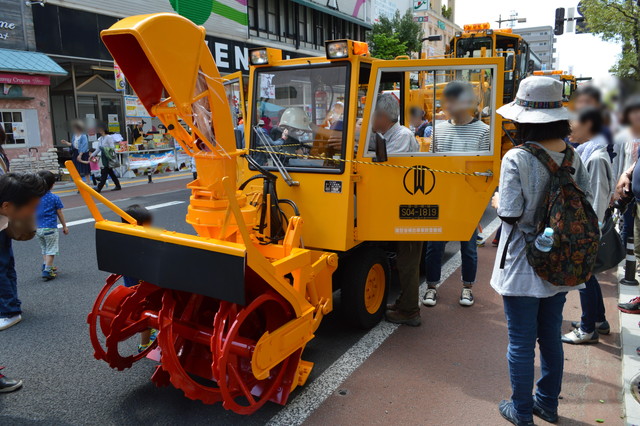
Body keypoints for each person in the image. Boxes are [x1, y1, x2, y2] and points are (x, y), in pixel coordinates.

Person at [492, 76, 592, 425]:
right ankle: (546, 403)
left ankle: (521, 413)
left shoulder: (517, 157)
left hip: (522, 262)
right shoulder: (573, 156)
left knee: (521, 341)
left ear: (522, 118)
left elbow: (509, 212)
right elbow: (587, 203)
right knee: (550, 334)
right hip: (562, 262)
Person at [423, 81, 490, 307]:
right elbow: (433, 165)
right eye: (446, 100)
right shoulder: (438, 129)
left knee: (468, 246)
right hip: (442, 196)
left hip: (468, 198)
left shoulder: (483, 131)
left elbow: (485, 169)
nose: (447, 105)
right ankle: (431, 286)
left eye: (452, 100)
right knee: (434, 245)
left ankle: (467, 288)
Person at [374, 94, 422, 326]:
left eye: (371, 114)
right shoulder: (387, 134)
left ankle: (410, 311)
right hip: (400, 205)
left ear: (382, 116)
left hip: (410, 207)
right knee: (406, 259)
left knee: (408, 261)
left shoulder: (402, 136)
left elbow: (389, 170)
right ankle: (405, 302)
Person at [120, 204, 157, 352]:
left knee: (139, 311)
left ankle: (147, 334)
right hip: (142, 286)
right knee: (146, 315)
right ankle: (144, 344)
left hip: (131, 285)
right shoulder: (141, 241)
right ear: (139, 225)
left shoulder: (123, 237)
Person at [35, 171, 69, 281]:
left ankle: (46, 265)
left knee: (44, 249)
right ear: (52, 184)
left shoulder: (35, 198)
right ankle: (47, 271)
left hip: (38, 228)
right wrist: (64, 226)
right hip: (50, 228)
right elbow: (59, 213)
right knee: (51, 250)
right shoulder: (54, 198)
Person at [91, 123, 122, 193]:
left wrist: (104, 148)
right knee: (110, 172)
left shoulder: (109, 137)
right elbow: (98, 148)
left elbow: (112, 147)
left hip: (108, 157)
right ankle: (118, 185)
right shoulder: (101, 138)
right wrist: (92, 155)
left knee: (105, 172)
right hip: (104, 156)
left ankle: (99, 187)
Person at [61, 120, 91, 185]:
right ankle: (79, 181)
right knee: (76, 168)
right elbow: (73, 144)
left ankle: (88, 181)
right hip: (76, 152)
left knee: (85, 168)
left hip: (83, 153)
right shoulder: (74, 135)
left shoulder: (83, 136)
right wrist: (66, 142)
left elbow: (84, 146)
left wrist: (80, 155)